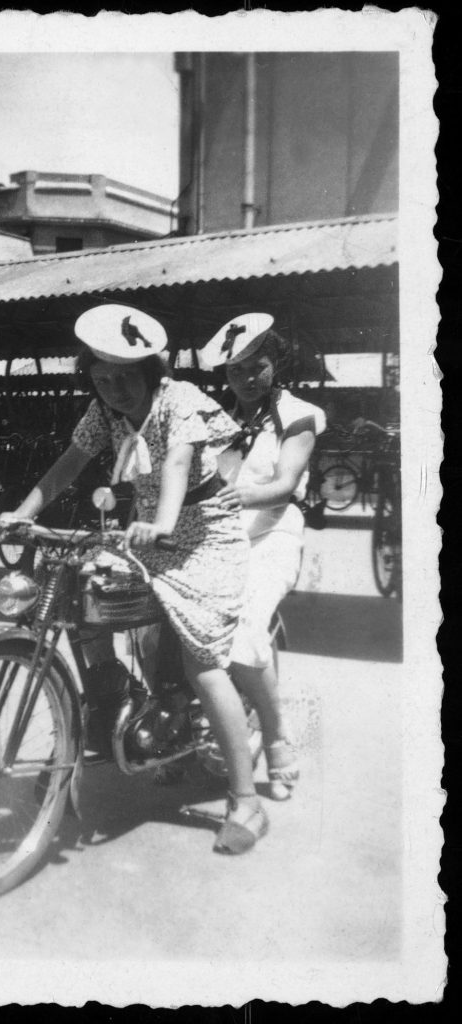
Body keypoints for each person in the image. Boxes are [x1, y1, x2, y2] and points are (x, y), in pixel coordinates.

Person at [0, 303, 268, 854]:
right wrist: (23, 513)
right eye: (102, 378)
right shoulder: (104, 413)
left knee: (202, 663)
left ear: (149, 372)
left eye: (125, 377)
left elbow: (176, 463)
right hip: (146, 531)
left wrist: (164, 523)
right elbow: (68, 464)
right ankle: (107, 707)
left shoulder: (180, 400)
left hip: (203, 537)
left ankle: (247, 801)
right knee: (78, 596)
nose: (115, 388)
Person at [200, 313, 326, 800]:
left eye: (257, 366)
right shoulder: (216, 419)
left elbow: (286, 484)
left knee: (246, 632)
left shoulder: (297, 414)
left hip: (274, 531)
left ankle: (276, 738)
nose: (247, 379)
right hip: (220, 534)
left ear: (276, 363)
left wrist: (241, 498)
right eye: (236, 371)